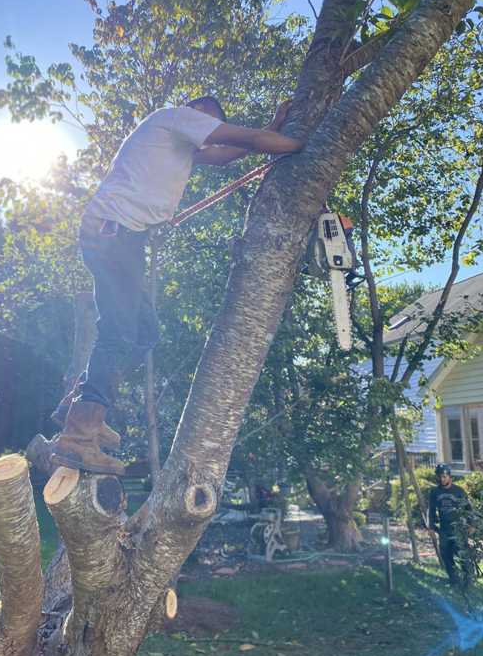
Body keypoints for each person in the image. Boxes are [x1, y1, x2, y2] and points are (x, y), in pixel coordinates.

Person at [51, 96, 304, 474]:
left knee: (145, 333)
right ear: (199, 114)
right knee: (118, 333)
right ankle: (79, 435)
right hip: (113, 231)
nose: (208, 138)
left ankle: (81, 404)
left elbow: (223, 154)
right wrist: (309, 146)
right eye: (212, 126)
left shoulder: (180, 147)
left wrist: (273, 124)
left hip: (123, 236)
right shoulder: (176, 118)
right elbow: (252, 142)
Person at [428, 463, 474, 587]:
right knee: (446, 555)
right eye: (440, 476)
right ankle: (453, 581)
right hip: (444, 529)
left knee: (462, 554)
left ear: (449, 476)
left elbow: (469, 507)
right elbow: (431, 510)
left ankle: (468, 580)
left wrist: (471, 524)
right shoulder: (435, 492)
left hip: (458, 529)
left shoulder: (458, 491)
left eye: (444, 476)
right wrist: (431, 527)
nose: (442, 479)